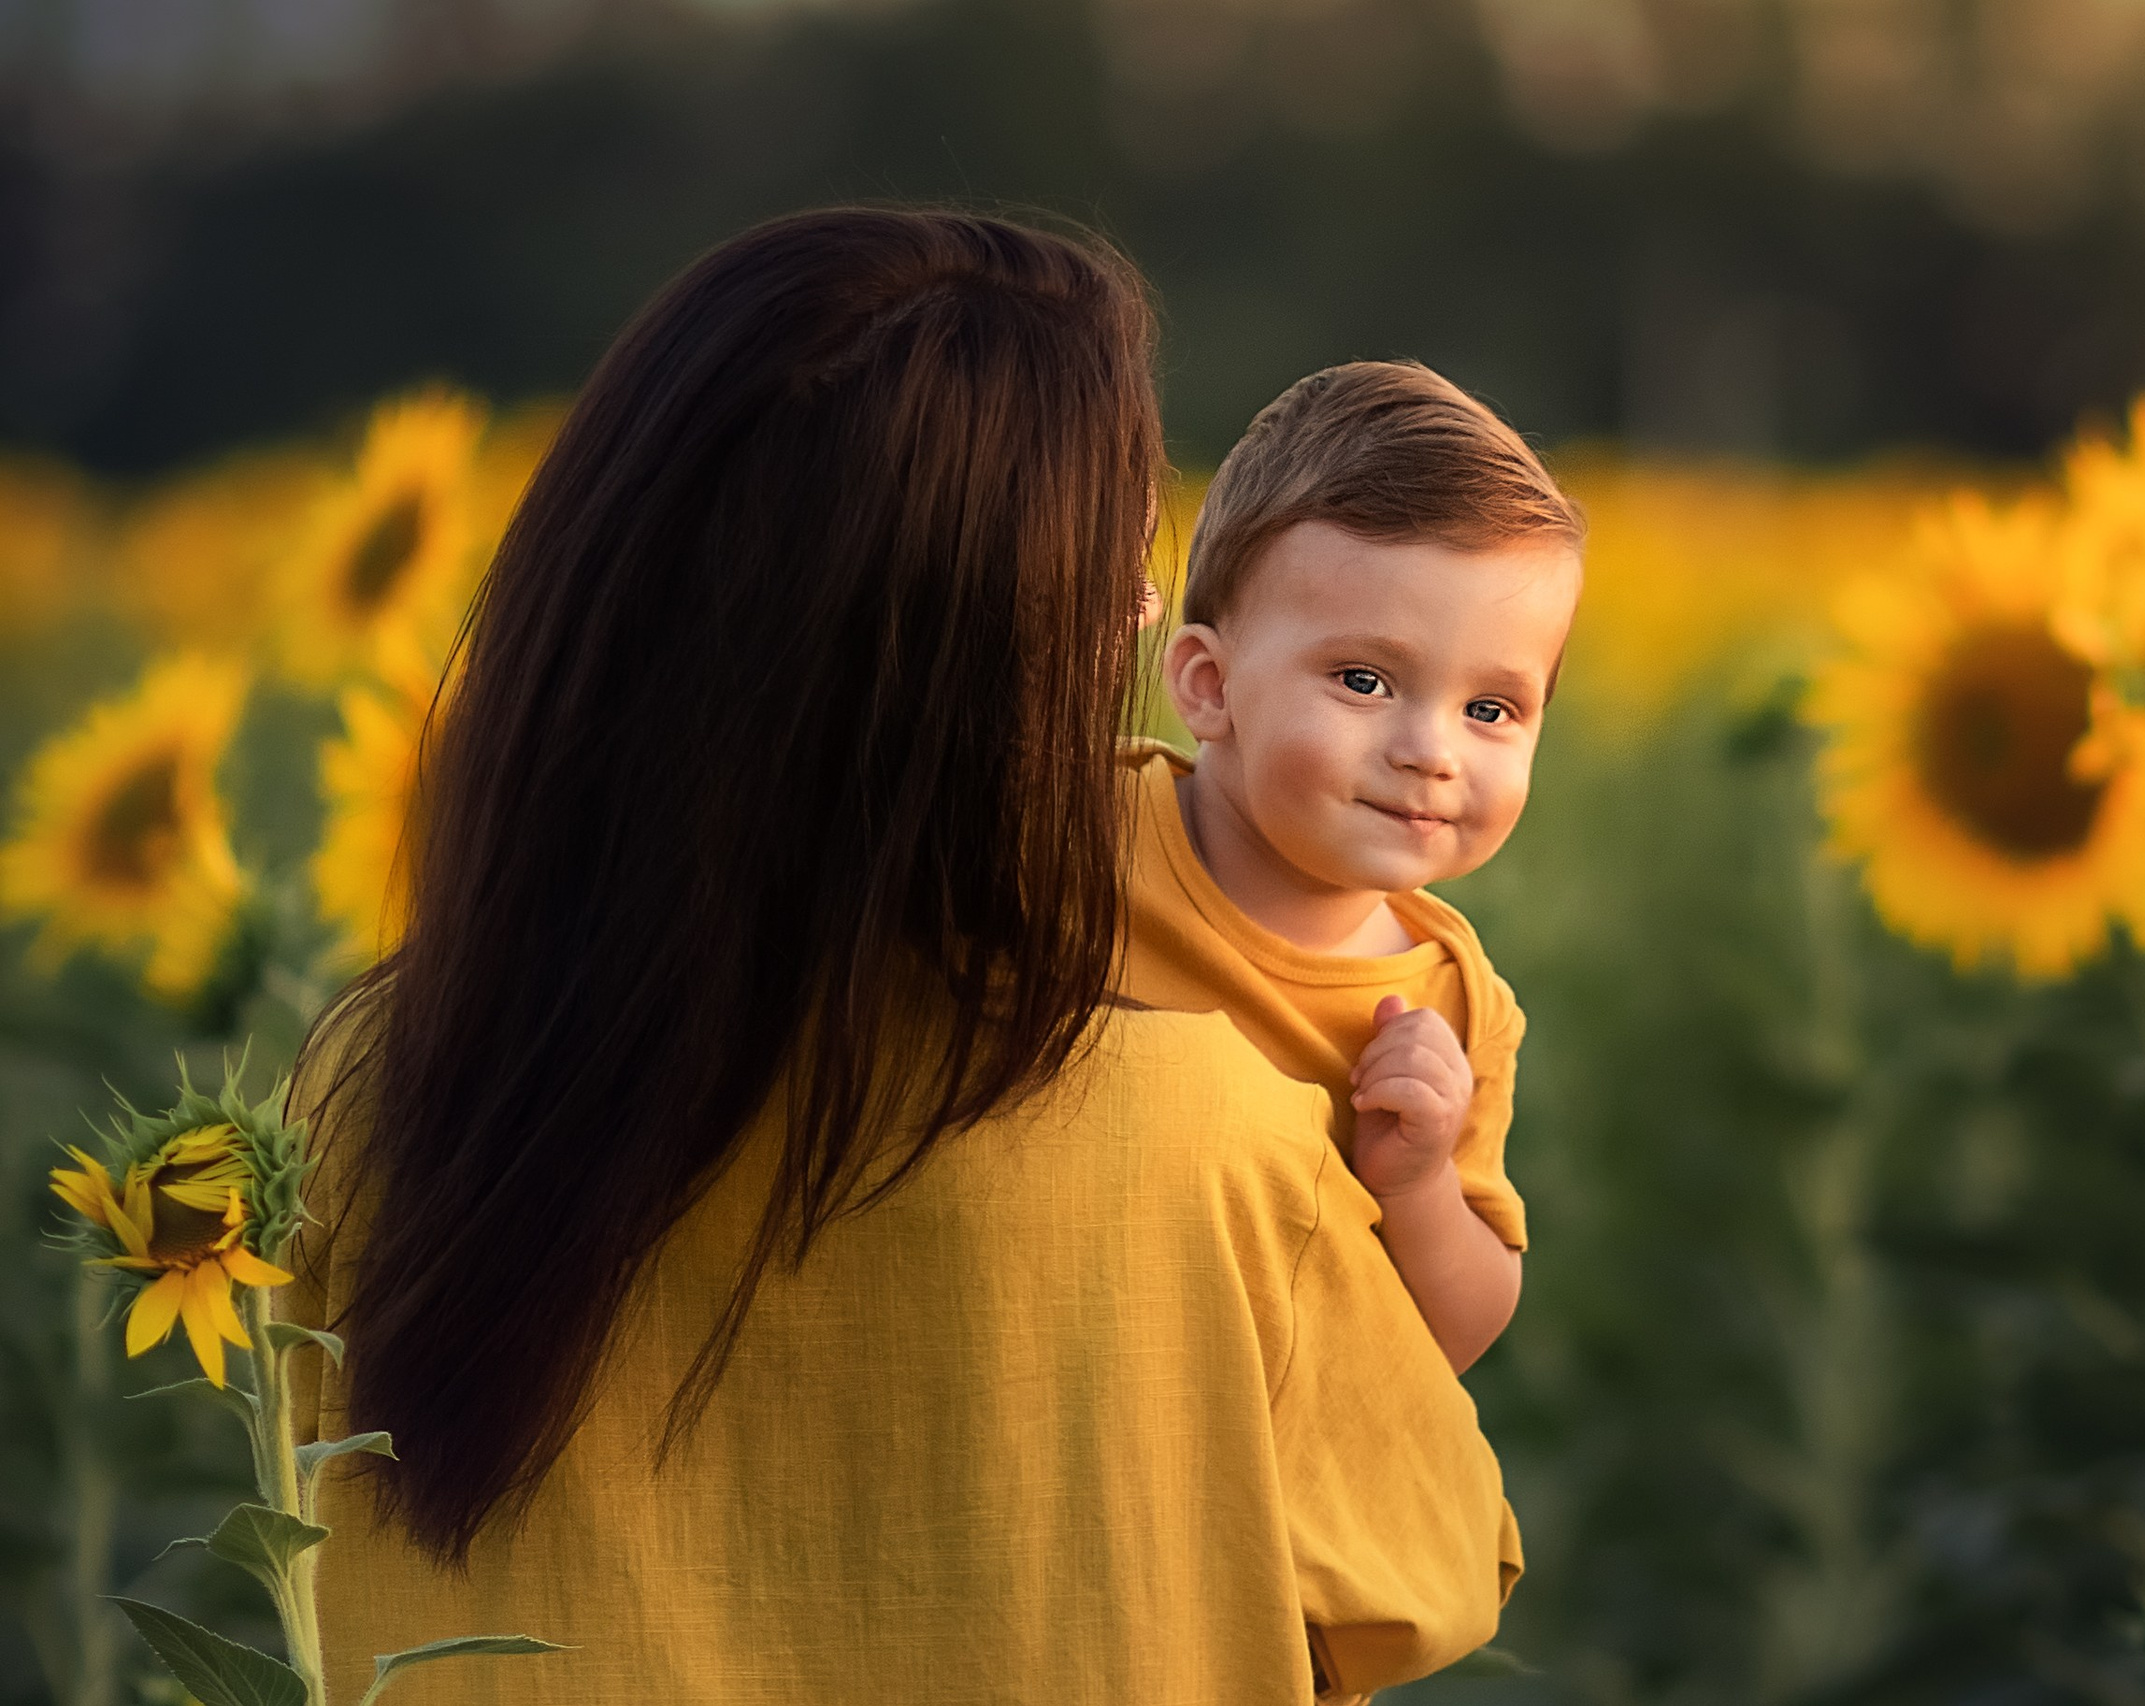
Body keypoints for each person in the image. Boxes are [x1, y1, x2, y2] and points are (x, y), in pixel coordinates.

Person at [285, 209, 1516, 1705]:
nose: (1144, 617)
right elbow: (1430, 1570)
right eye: (1113, 569)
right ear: (967, 653)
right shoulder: (1207, 1142)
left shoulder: (371, 1087)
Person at [1124, 361, 1583, 1375]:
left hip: (1293, 1460)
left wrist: (1418, 1183)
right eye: (1365, 681)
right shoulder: (1086, 835)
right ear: (1208, 685)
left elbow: (1457, 1336)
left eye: (1490, 709)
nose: (1431, 752)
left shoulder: (1451, 1006)